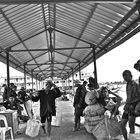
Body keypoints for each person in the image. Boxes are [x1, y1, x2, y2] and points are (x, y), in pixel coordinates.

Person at [120, 70, 140, 140]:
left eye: (126, 75)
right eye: (123, 75)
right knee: (122, 125)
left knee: (131, 126)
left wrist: (133, 105)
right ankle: (126, 139)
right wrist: (126, 105)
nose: (125, 77)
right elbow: (128, 97)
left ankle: (132, 139)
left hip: (133, 106)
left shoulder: (135, 84)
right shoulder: (127, 84)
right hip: (127, 107)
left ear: (131, 76)